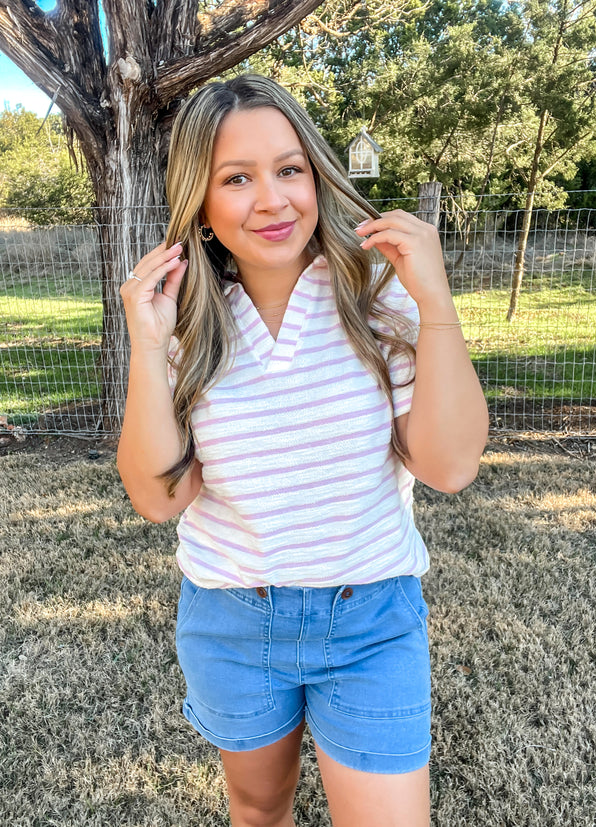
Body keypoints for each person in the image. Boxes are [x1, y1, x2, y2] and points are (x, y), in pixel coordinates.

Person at [117, 74, 488, 827]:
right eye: (237, 178)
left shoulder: (378, 296)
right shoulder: (188, 324)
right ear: (203, 205)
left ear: (317, 174)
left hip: (371, 617)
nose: (272, 199)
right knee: (259, 811)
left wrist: (436, 301)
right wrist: (148, 346)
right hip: (232, 618)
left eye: (289, 169)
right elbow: (159, 497)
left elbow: (449, 468)